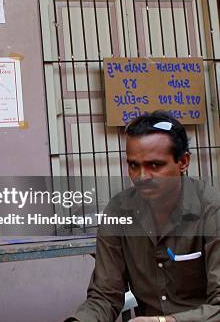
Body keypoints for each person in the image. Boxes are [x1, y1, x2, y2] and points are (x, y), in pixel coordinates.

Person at [67, 111, 220, 322]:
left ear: (183, 162)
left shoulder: (213, 210)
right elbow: (105, 295)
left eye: (155, 165)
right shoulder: (119, 211)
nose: (141, 177)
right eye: (133, 165)